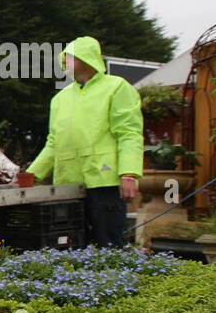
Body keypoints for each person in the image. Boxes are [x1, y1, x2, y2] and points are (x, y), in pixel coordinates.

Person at [20, 36, 143, 247]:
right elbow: (53, 143)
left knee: (109, 244)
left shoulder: (116, 88)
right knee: (70, 244)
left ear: (87, 58)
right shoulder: (60, 99)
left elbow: (129, 133)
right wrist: (32, 174)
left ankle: (113, 279)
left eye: (69, 56)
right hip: (68, 184)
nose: (63, 60)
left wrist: (129, 174)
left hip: (105, 181)